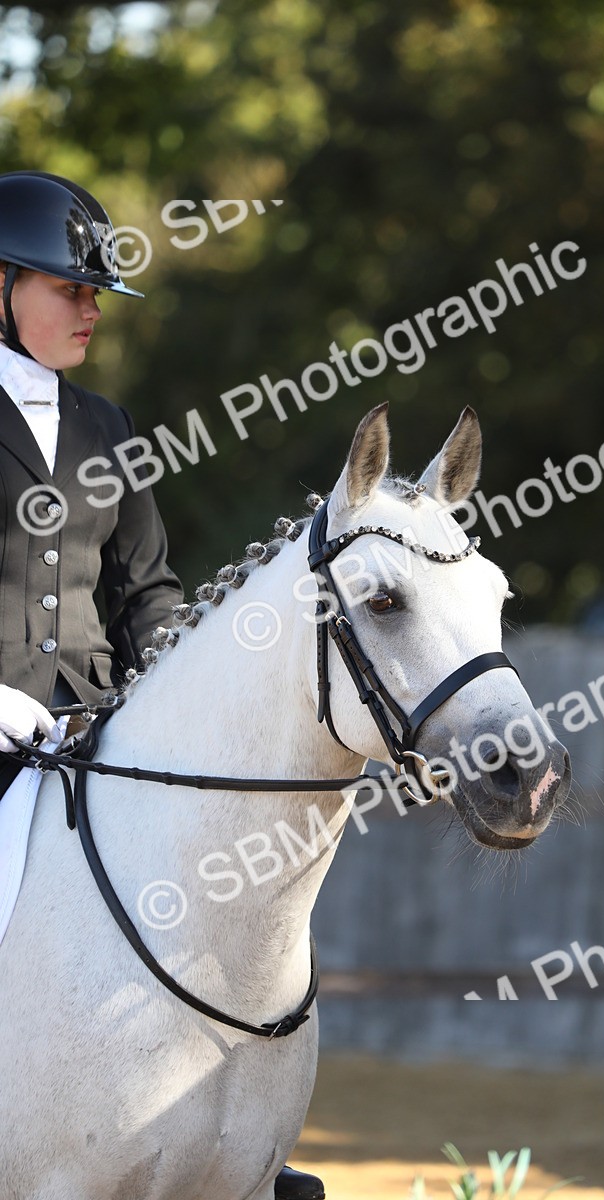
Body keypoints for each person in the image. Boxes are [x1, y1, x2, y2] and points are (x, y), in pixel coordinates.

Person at [0, 171, 324, 1200]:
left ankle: (226, 1143)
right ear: (2, 284)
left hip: (95, 736)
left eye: (95, 289)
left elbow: (149, 595)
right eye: (66, 286)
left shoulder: (106, 425)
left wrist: (176, 704)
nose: (89, 304)